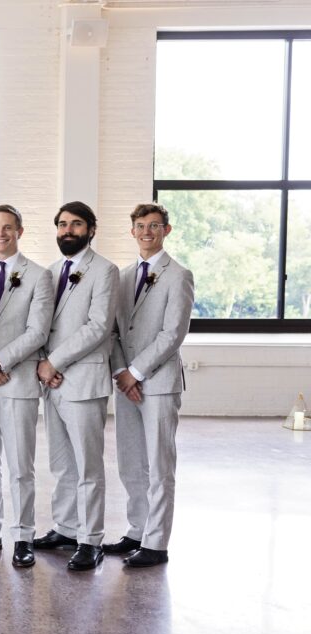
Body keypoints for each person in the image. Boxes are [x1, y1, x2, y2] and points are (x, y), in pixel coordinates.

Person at [104, 203, 194, 568]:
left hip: (158, 382)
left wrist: (136, 372)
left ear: (166, 231)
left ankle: (156, 543)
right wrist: (122, 372)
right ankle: (137, 529)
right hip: (126, 382)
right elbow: (112, 331)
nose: (146, 231)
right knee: (130, 462)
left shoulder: (179, 275)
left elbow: (173, 333)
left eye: (154, 225)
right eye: (140, 225)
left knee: (159, 464)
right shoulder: (123, 277)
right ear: (132, 231)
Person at [0, 205, 54, 569]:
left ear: (20, 230)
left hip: (17, 380)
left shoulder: (38, 275)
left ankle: (23, 535)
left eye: (7, 228)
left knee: (20, 465)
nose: (1, 233)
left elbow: (38, 331)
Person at [34, 201, 119, 571]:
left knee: (88, 465)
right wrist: (44, 364)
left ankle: (91, 539)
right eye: (62, 224)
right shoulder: (50, 271)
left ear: (91, 229)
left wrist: (54, 361)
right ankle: (66, 528)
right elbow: (39, 324)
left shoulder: (105, 271)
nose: (68, 230)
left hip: (83, 379)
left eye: (76, 224)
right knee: (61, 463)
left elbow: (98, 326)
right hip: (52, 383)